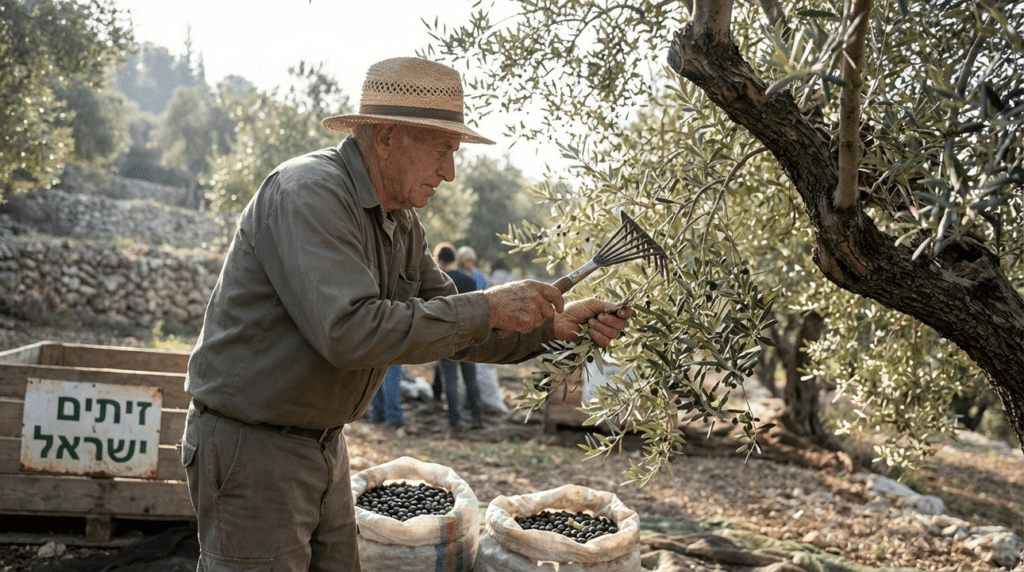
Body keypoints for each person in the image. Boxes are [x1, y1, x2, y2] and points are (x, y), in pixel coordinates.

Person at [177, 56, 632, 572]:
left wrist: (554, 330)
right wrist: (486, 305)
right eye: (443, 149)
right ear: (389, 138)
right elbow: (349, 332)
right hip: (255, 450)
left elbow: (455, 330)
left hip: (322, 445)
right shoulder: (308, 193)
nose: (450, 172)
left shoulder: (401, 223)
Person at [435, 244, 484, 429]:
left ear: (439, 260)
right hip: (468, 336)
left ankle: (455, 421)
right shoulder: (469, 281)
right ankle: (477, 418)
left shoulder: (438, 282)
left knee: (450, 381)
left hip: (445, 337)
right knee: (470, 379)